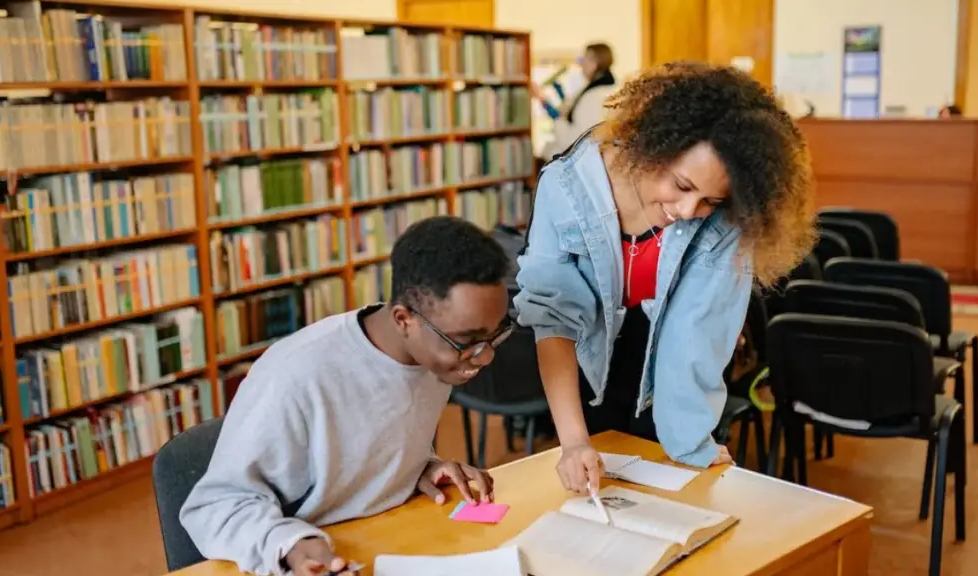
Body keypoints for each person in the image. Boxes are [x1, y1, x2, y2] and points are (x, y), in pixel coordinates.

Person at [514, 61, 816, 494]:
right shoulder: (565, 188)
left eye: (711, 200)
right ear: (650, 148)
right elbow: (553, 321)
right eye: (682, 185)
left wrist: (690, 445)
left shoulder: (729, 221)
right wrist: (574, 441)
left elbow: (696, 335)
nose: (689, 211)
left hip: (673, 384)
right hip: (585, 367)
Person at [180, 216, 514, 576]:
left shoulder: (435, 351)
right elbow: (214, 506)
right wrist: (293, 546)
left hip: (385, 541)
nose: (485, 356)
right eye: (467, 342)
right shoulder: (295, 375)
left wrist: (418, 467)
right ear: (404, 319)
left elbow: (371, 434)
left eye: (495, 335)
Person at [532, 43, 616, 166]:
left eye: (583, 59)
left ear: (593, 64)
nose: (581, 64)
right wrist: (559, 92)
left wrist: (543, 101)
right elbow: (572, 110)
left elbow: (572, 140)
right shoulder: (606, 89)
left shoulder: (593, 96)